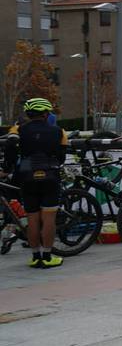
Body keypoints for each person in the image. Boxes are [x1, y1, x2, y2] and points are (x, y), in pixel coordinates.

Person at [3, 98, 69, 268]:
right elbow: (61, 157)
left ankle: (35, 256)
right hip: (50, 175)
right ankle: (47, 256)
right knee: (48, 219)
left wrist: (8, 168)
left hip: (27, 175)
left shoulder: (18, 129)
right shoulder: (59, 131)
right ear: (46, 114)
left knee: (32, 218)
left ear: (28, 114)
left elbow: (10, 147)